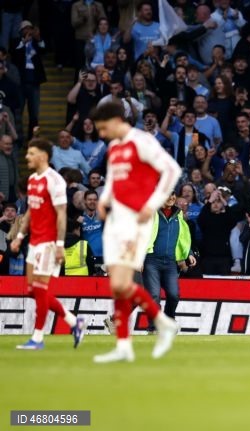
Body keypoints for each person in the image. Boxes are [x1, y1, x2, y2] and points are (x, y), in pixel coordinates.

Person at [90, 102, 182, 363]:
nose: (102, 134)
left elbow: (172, 170)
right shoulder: (114, 147)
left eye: (104, 127)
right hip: (117, 220)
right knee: (118, 288)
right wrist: (103, 199)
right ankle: (123, 346)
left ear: (118, 119)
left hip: (135, 221)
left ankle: (162, 322)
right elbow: (114, 179)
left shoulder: (141, 141)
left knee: (121, 283)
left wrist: (152, 204)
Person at [10, 138, 85, 350]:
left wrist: (60, 244)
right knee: (33, 291)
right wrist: (19, 237)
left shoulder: (55, 181)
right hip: (34, 242)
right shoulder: (33, 180)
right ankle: (73, 322)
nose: (27, 157)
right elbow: (31, 212)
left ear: (43, 156)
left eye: (31, 153)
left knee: (41, 289)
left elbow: (62, 215)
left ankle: (37, 338)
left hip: (49, 243)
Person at [143, 191, 195, 333]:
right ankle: (154, 327)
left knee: (174, 295)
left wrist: (188, 253)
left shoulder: (178, 214)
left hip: (171, 262)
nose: (171, 197)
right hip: (151, 260)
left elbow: (182, 237)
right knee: (154, 295)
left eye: (173, 194)